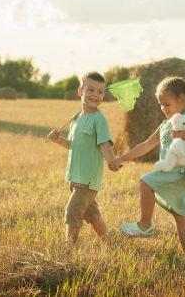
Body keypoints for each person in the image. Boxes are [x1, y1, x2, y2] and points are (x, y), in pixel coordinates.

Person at [111, 76, 185, 256]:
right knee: (180, 216)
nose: (163, 109)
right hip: (171, 172)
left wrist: (182, 134)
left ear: (181, 101)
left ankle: (144, 225)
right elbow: (146, 145)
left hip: (180, 173)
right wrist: (122, 158)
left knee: (145, 182)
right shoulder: (165, 125)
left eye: (167, 104)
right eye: (161, 105)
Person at [47, 71, 118, 246]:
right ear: (80, 92)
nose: (95, 95)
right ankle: (108, 244)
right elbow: (74, 145)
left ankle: (69, 251)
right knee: (91, 214)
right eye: (91, 90)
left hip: (87, 179)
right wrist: (58, 140)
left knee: (72, 212)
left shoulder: (99, 118)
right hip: (75, 176)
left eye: (100, 92)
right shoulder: (77, 119)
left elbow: (104, 144)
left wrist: (112, 161)